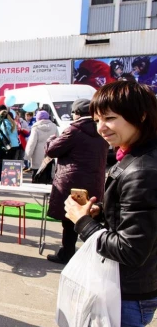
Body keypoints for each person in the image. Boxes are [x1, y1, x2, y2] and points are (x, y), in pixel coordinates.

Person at [65, 81, 157, 327]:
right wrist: (101, 215)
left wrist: (83, 223)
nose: (102, 128)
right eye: (97, 120)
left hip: (127, 294)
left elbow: (131, 249)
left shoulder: (141, 169)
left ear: (140, 115)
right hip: (131, 288)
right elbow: (139, 223)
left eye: (110, 118)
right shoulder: (133, 156)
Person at [45, 98, 109, 264]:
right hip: (94, 181)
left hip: (71, 182)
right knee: (92, 217)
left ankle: (67, 254)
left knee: (69, 220)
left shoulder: (74, 130)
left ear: (76, 113)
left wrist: (51, 139)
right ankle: (94, 256)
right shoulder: (102, 129)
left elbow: (52, 151)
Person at [24, 110, 58, 179]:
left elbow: (31, 143)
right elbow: (57, 141)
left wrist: (27, 156)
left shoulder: (36, 127)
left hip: (37, 157)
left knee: (37, 179)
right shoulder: (54, 127)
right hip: (49, 157)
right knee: (48, 179)